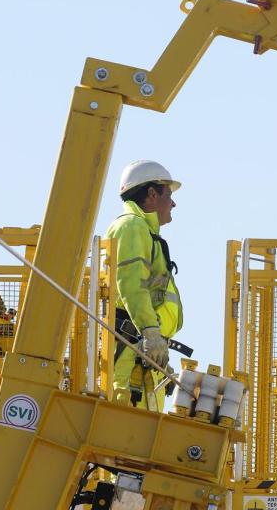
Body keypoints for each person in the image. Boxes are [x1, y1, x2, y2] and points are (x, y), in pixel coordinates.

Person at [105, 160, 183, 411]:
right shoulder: (132, 226)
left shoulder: (143, 231)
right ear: (152, 194)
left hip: (140, 354)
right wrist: (150, 333)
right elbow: (131, 286)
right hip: (130, 355)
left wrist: (156, 347)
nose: (173, 203)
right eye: (168, 195)